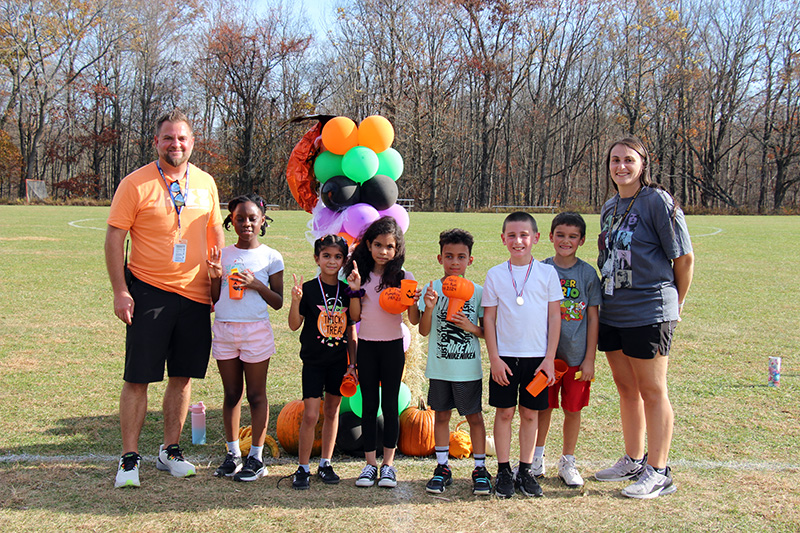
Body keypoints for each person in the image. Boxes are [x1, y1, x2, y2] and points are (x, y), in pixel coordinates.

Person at [105, 109, 224, 488]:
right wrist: (120, 290)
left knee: (183, 375)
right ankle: (128, 458)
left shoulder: (205, 182)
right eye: (168, 138)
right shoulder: (135, 183)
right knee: (139, 376)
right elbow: (113, 240)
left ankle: (170, 450)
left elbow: (215, 235)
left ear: (192, 143)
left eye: (182, 138)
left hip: (195, 294)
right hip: (148, 289)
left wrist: (216, 286)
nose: (176, 144)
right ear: (156, 142)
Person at [595, 136, 694, 499]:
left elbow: (683, 258)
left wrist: (675, 303)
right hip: (613, 310)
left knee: (652, 390)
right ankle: (634, 459)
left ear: (642, 164)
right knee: (626, 388)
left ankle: (659, 470)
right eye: (615, 160)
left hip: (650, 309)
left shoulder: (657, 201)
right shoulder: (609, 206)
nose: (621, 166)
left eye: (628, 160)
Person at [482, 211, 563, 498]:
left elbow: (555, 318)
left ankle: (525, 470)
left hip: (537, 359)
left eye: (524, 235)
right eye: (512, 235)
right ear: (503, 239)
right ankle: (503, 470)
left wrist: (549, 358)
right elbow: (488, 320)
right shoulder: (495, 275)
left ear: (536, 238)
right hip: (505, 358)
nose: (518, 241)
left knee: (530, 414)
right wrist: (494, 358)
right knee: (504, 413)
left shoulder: (547, 274)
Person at [207, 194, 284, 482]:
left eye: (252, 218)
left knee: (256, 395)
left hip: (255, 331)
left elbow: (277, 302)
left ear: (262, 221)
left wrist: (256, 284)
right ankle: (232, 454)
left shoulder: (271, 256)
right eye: (240, 218)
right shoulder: (223, 254)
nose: (246, 223)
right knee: (230, 395)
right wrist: (215, 275)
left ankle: (256, 456)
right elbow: (214, 298)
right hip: (225, 329)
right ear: (231, 221)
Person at [343, 216, 421, 489]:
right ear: (368, 244)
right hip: (367, 346)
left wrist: (414, 301)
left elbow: (413, 318)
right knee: (368, 406)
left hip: (392, 348)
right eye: (378, 245)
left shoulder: (404, 278)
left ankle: (388, 464)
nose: (384, 251)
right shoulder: (359, 275)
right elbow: (354, 317)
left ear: (397, 248)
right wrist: (354, 291)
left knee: (389, 406)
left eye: (390, 246)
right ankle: (368, 465)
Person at [418, 229, 491, 496]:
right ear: (440, 258)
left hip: (468, 369)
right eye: (449, 256)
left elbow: (488, 333)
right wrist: (429, 305)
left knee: (474, 417)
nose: (455, 263)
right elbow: (424, 331)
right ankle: (442, 467)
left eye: (461, 257)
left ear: (470, 260)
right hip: (440, 368)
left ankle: (480, 469)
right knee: (441, 416)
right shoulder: (432, 289)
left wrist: (471, 327)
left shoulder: (480, 292)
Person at [287, 234, 361, 489]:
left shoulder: (347, 290)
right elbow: (294, 325)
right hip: (314, 362)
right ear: (316, 258)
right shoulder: (308, 289)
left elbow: (352, 325)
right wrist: (295, 302)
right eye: (326, 256)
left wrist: (353, 364)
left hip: (339, 362)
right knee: (309, 415)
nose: (332, 261)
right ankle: (303, 467)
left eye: (337, 257)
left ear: (343, 261)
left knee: (332, 411)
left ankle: (326, 463)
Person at [535, 212, 601, 488]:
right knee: (543, 407)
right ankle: (535, 458)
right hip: (545, 358)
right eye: (560, 235)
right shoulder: (540, 269)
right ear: (550, 237)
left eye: (572, 236)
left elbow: (594, 317)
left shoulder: (587, 274)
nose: (565, 241)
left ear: (582, 240)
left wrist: (589, 359)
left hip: (576, 357)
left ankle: (568, 461)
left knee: (573, 409)